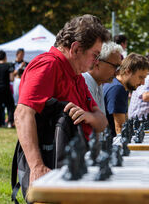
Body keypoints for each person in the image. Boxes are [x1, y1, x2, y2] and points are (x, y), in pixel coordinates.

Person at [14, 14, 110, 185]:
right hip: (53, 169)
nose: (96, 62)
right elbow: (22, 114)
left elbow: (102, 122)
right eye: (94, 55)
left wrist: (87, 116)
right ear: (75, 49)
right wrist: (37, 167)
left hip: (74, 165)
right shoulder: (48, 65)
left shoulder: (77, 75)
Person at [103, 53, 149, 136]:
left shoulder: (117, 85)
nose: (143, 83)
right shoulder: (118, 89)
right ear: (128, 71)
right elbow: (120, 128)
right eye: (140, 77)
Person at [82, 42, 123, 114]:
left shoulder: (98, 83)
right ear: (97, 62)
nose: (117, 72)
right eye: (115, 66)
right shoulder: (84, 84)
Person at [0, 50, 15, 128]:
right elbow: (12, 79)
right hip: (5, 89)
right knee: (10, 106)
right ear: (5, 57)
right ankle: (10, 122)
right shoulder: (8, 66)